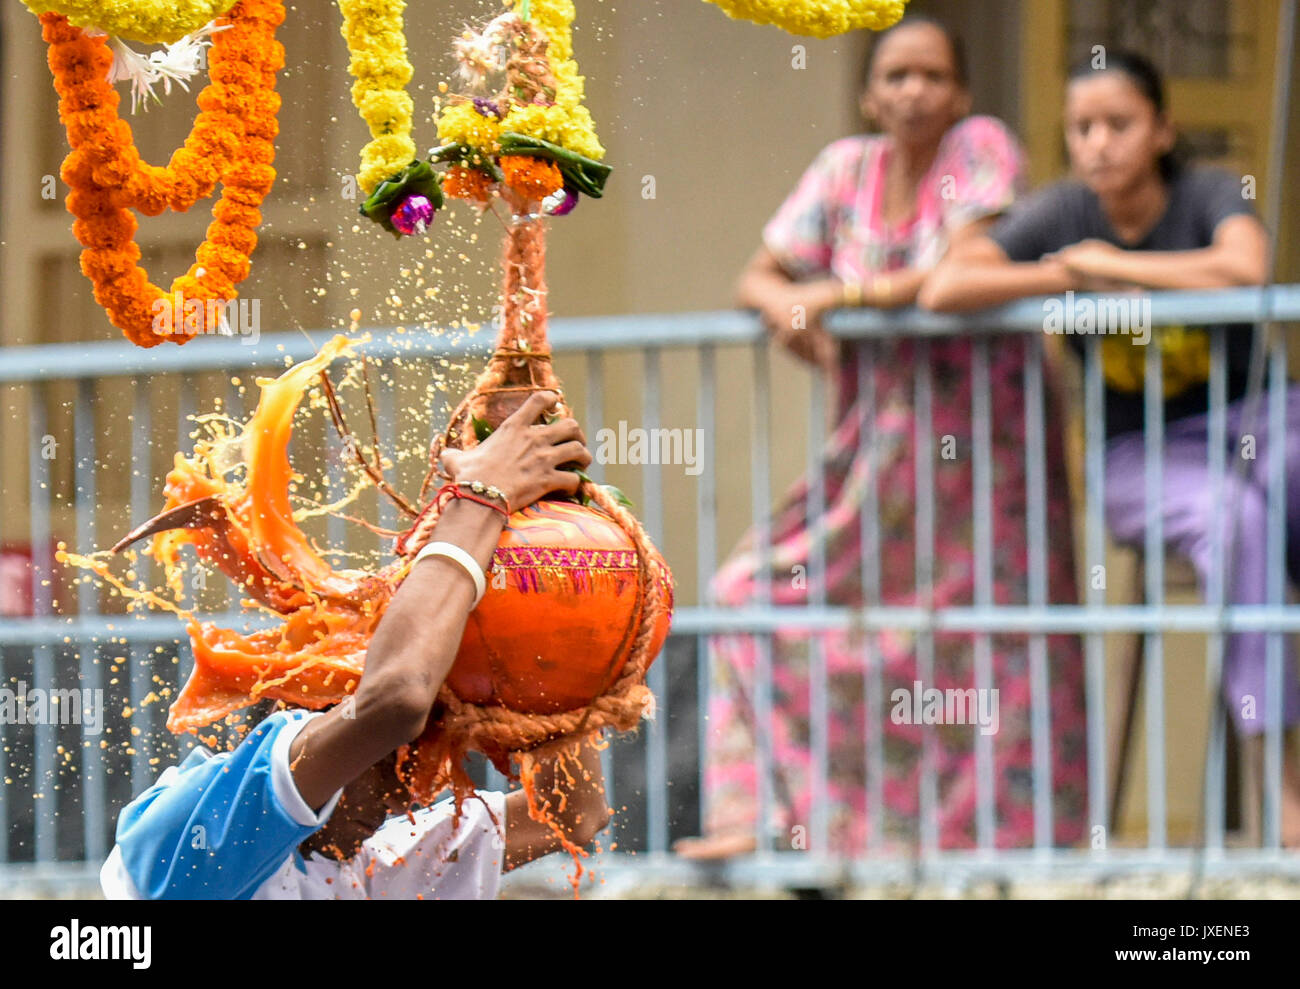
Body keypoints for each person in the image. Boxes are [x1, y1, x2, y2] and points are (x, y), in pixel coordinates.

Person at [675, 16, 1089, 860]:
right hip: (877, 434)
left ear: (961, 91)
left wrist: (841, 295)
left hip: (986, 433)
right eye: (896, 75)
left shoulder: (980, 148)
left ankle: (1009, 843)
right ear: (868, 93)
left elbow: (951, 275)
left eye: (933, 75)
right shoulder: (844, 169)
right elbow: (759, 276)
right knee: (752, 590)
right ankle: (761, 819)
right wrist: (802, 317)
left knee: (990, 630)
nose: (914, 92)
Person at [921, 50, 1300, 842]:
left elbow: (1249, 267)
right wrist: (1065, 275)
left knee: (1275, 490)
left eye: (1118, 124)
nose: (1098, 143)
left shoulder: (1209, 192)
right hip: (1142, 459)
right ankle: (1285, 783)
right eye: (1081, 127)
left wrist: (1121, 269)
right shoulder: (1063, 216)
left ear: (1162, 130)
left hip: (1259, 422)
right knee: (1235, 520)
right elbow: (948, 285)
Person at [101, 391, 615, 898]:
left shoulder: (369, 862)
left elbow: (573, 815)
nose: (407, 793)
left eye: (413, 764)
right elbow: (393, 702)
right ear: (320, 719)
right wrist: (481, 499)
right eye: (393, 759)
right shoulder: (185, 829)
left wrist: (553, 614)